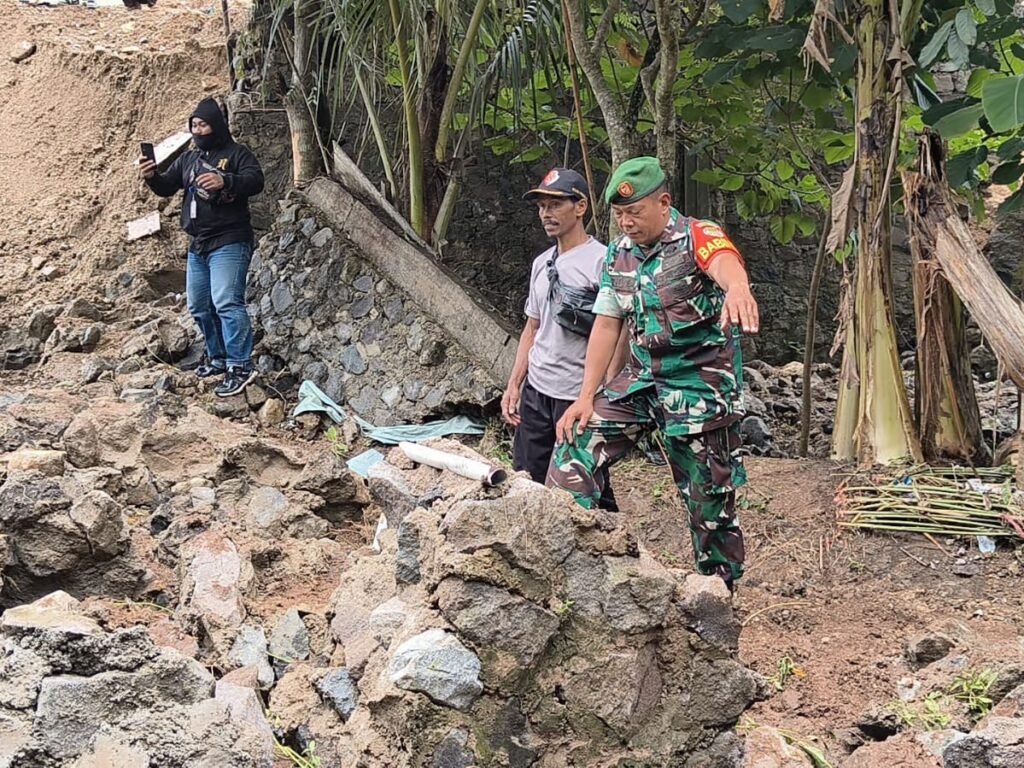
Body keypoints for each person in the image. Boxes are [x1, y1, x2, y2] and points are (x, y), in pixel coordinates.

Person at [547, 156, 760, 589]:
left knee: (709, 506)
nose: (626, 222)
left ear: (663, 203)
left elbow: (724, 263)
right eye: (620, 214)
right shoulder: (619, 257)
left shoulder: (698, 235)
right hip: (642, 381)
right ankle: (574, 567)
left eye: (635, 212)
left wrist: (738, 287)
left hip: (699, 389)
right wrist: (586, 395)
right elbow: (607, 323)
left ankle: (717, 598)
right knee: (576, 441)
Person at [501, 168, 625, 509]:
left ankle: (614, 547)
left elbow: (618, 329)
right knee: (527, 481)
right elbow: (532, 327)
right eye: (541, 206)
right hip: (537, 392)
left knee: (582, 485)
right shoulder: (542, 263)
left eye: (555, 205)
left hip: (576, 395)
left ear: (580, 206)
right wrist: (514, 384)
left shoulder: (602, 262)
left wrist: (605, 389)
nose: (546, 214)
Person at [139, 97, 265, 397]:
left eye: (203, 124)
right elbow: (168, 186)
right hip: (198, 244)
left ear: (217, 126)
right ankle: (218, 358)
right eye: (194, 125)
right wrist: (152, 177)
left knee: (226, 302)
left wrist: (225, 181)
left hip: (230, 239)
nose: (198, 130)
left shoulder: (237, 153)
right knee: (199, 306)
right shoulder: (189, 159)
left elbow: (256, 180)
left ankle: (240, 365)